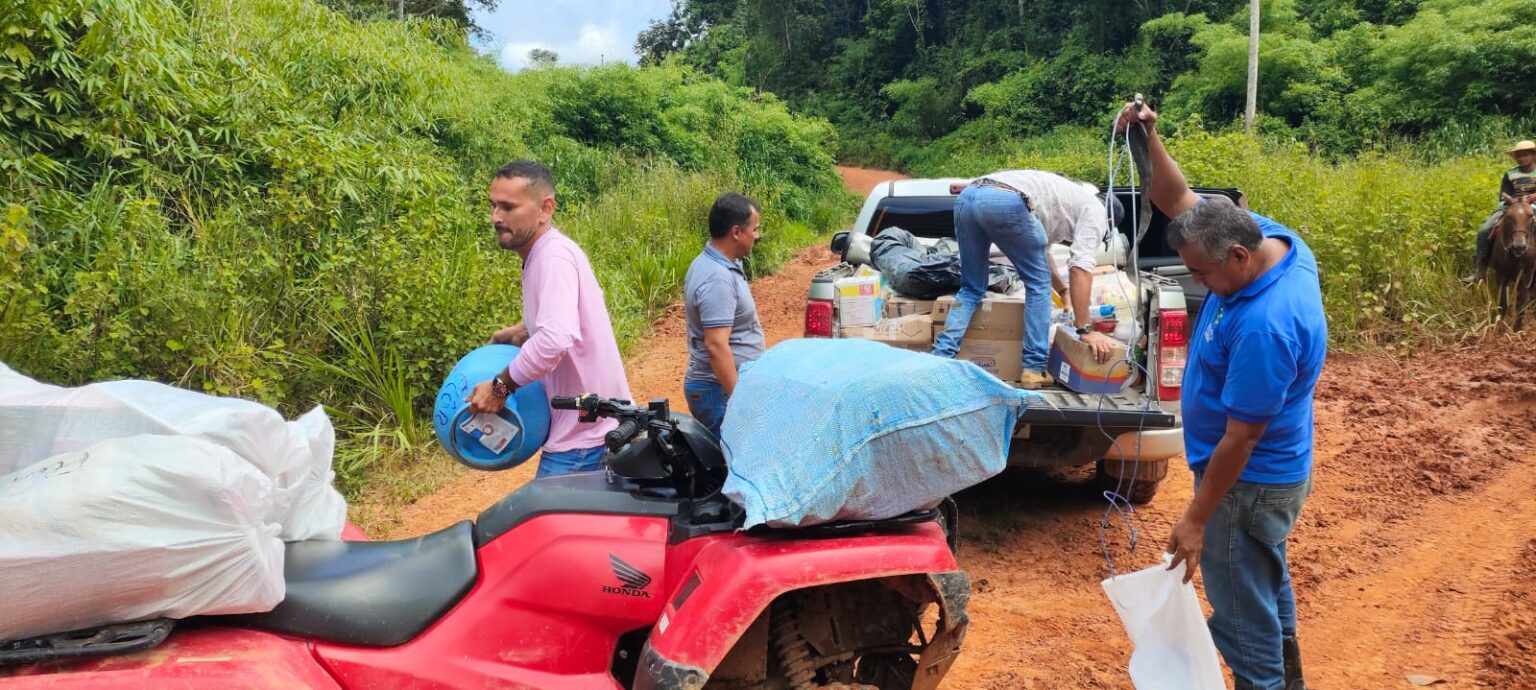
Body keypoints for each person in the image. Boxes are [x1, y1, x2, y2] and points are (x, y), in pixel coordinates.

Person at [1117, 101, 1327, 690]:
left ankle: (1265, 681)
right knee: (1261, 586)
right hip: (1262, 479)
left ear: (1237, 256)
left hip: (1246, 485)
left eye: (1203, 275)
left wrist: (1196, 518)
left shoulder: (1266, 325)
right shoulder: (1266, 239)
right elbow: (1176, 199)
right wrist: (1149, 137)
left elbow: (1241, 437)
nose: (1198, 284)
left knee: (1240, 620)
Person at [467, 160, 634, 478]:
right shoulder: (547, 253)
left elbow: (554, 339)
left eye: (508, 207)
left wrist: (499, 388)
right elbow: (572, 319)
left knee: (544, 511)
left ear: (545, 208)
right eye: (493, 206)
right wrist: (522, 331)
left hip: (585, 438)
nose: (496, 217)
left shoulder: (552, 257)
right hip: (592, 428)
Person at [931, 170, 1122, 388]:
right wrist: (1085, 330)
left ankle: (940, 358)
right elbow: (1080, 268)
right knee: (1038, 287)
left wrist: (1063, 291)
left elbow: (1043, 256)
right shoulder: (1097, 211)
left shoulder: (1064, 202)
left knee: (971, 289)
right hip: (1005, 200)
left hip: (968, 197)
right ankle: (1034, 369)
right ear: (1110, 221)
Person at [682, 192, 766, 436]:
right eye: (754, 229)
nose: (757, 236)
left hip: (718, 389)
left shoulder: (716, 263)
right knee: (730, 457)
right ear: (736, 232)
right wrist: (740, 401)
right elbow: (716, 345)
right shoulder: (717, 278)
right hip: (717, 391)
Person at [1465, 140, 1536, 284]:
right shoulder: (1510, 174)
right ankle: (1480, 269)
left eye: (1525, 155)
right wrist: (1510, 201)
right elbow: (1503, 195)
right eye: (1519, 155)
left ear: (1533, 155)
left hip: (1534, 206)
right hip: (1512, 206)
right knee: (1484, 231)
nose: (1522, 158)